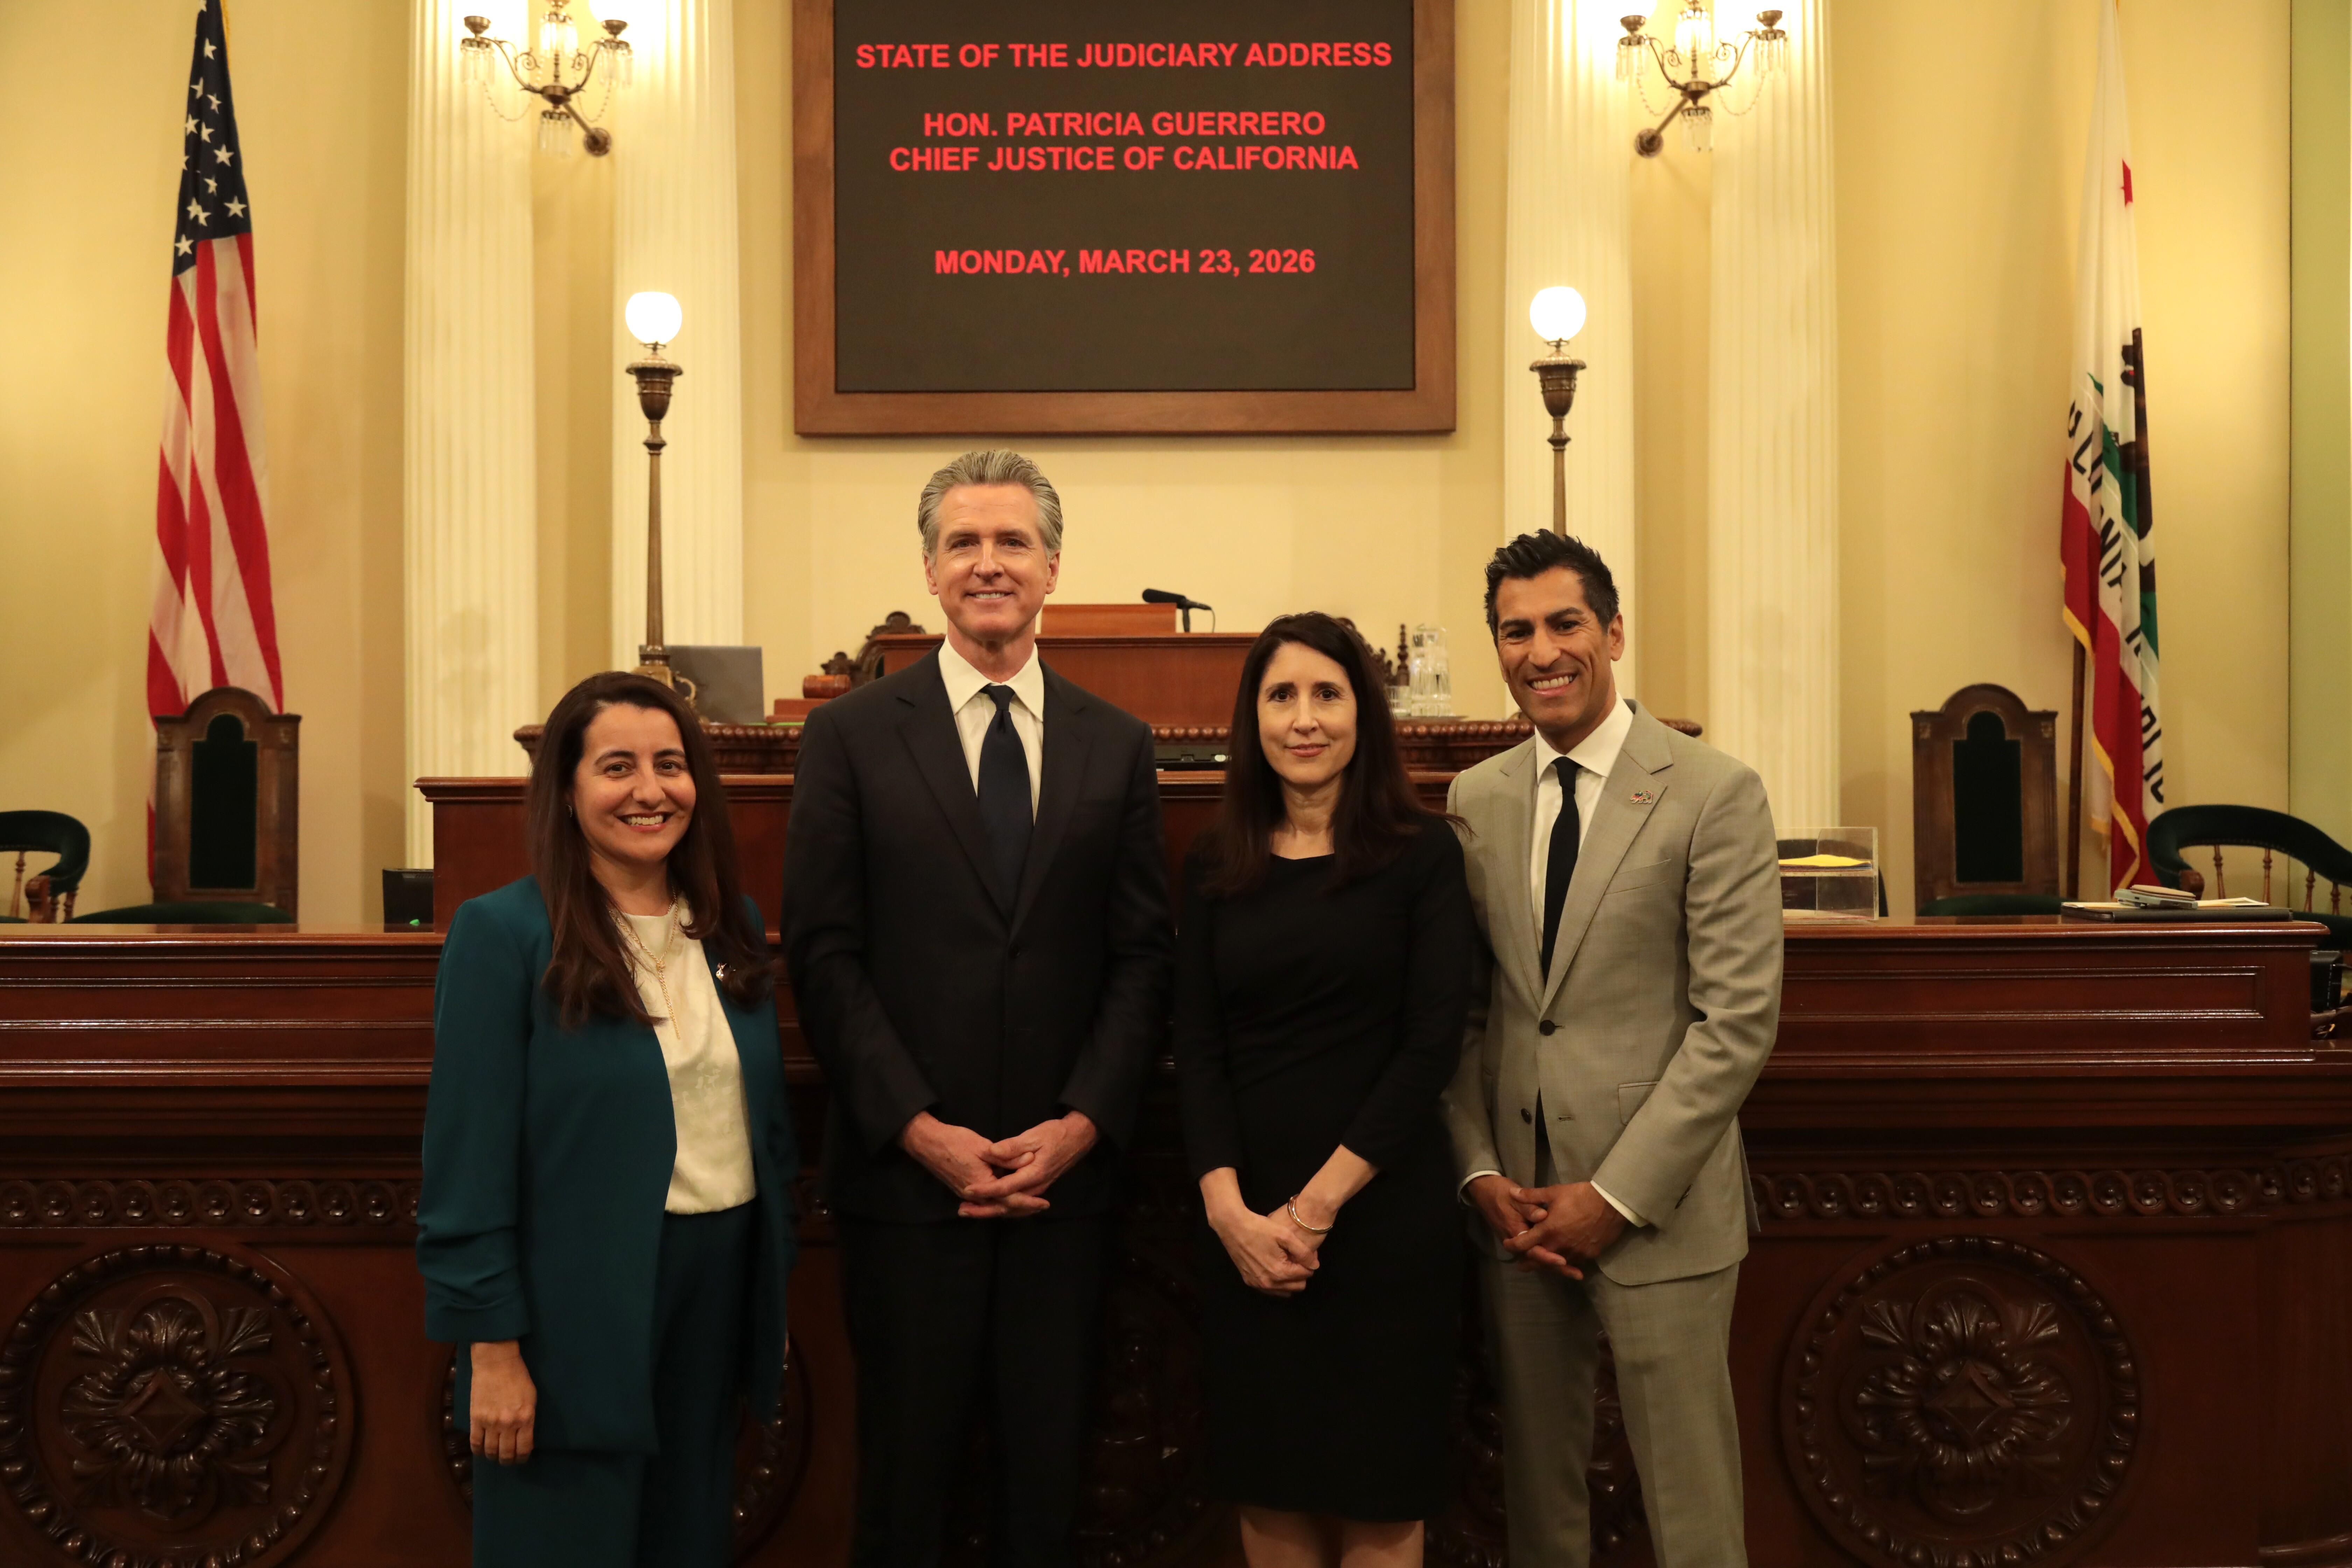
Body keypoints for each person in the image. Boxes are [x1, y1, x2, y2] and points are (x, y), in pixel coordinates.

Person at [781, 449, 1172, 1568]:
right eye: (965, 543)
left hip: (1067, 1190)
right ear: (930, 568)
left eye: (1011, 543)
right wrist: (921, 1132)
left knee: (1049, 1493)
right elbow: (825, 952)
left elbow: (1142, 958)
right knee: (905, 1494)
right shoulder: (851, 737)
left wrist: (1082, 1126)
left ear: (1052, 567)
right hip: (909, 1191)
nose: (988, 563)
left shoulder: (1117, 743)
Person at [1440, 532, 1782, 1568]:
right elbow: (1463, 1017)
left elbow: (1736, 1025)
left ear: (1613, 632)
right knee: (1541, 1515)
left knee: (1692, 1515)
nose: (1542, 651)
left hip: (1657, 1215)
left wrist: (1615, 1196)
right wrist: (1481, 1171)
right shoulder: (1476, 801)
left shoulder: (1713, 792)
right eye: (1517, 631)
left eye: (1564, 624)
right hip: (1519, 1218)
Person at [417, 671, 800, 1568]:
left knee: (688, 1540)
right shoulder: (505, 933)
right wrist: (494, 1348)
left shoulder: (729, 925)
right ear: (567, 787)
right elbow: (468, 1159)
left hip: (714, 1290)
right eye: (617, 766)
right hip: (569, 1314)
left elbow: (759, 1127)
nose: (649, 790)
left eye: (670, 764)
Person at [1174, 612, 1473, 1568]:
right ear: (1252, 718)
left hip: (1380, 1224)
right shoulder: (1214, 865)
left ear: (1363, 713)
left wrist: (1312, 1212)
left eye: (1327, 694)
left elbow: (1430, 1049)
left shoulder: (1423, 855)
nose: (1304, 720)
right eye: (1281, 696)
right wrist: (1229, 1211)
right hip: (1245, 1231)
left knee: (1383, 1500)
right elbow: (1196, 1047)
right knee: (1272, 1492)